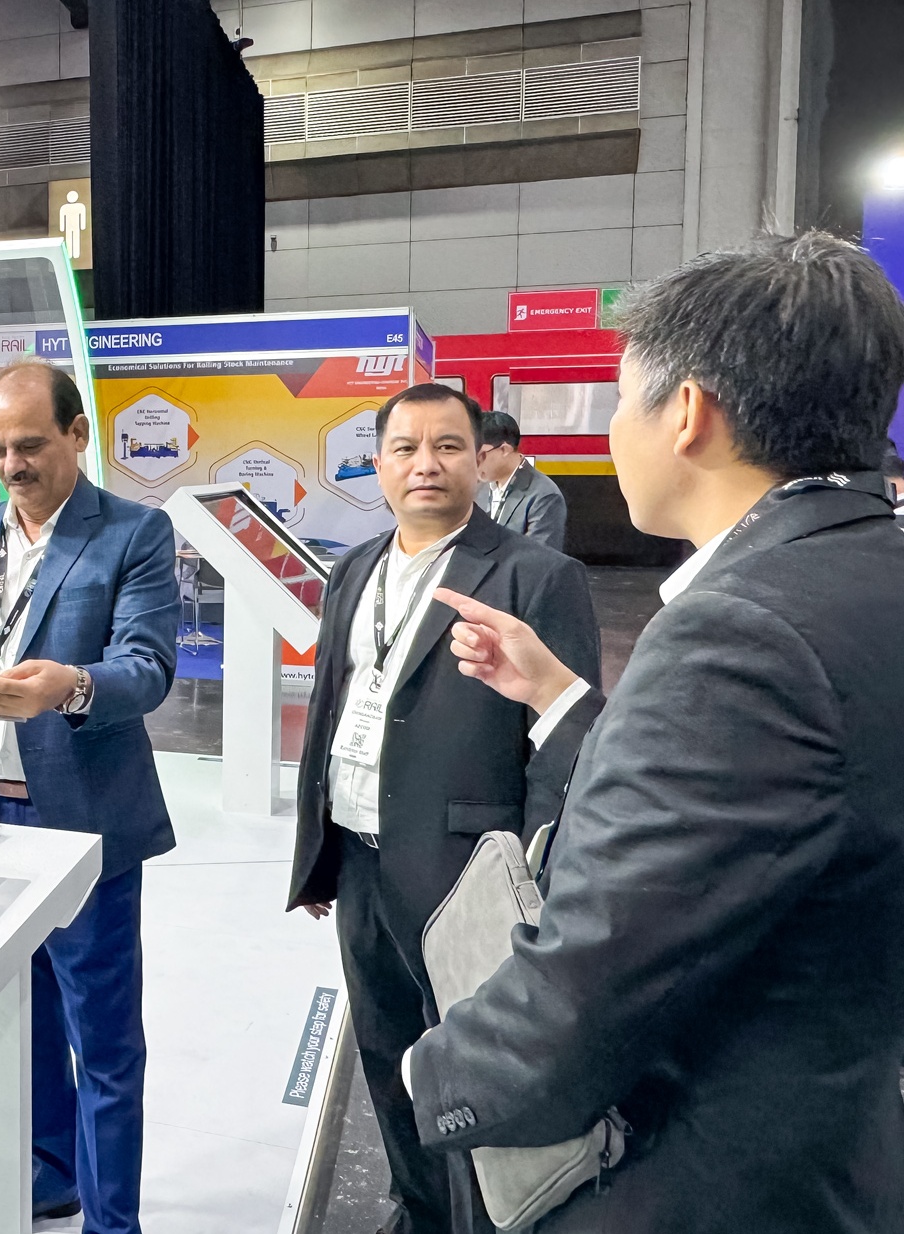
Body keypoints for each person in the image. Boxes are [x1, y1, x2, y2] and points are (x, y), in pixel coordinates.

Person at [403, 234, 904, 1233]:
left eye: (620, 398)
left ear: (687, 413)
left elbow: (581, 995)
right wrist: (561, 697)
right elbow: (754, 816)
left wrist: (433, 1070)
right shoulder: (866, 570)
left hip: (697, 1175)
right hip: (837, 1136)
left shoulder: (739, 631)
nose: (612, 427)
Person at [286, 382, 600, 1234]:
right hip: (359, 855)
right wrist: (317, 851)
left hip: (467, 872)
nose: (425, 464)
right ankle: (418, 1209)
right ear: (378, 463)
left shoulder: (536, 575)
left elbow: (563, 743)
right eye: (405, 448)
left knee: (467, 1072)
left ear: (479, 459)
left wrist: (533, 874)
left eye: (448, 446)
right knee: (384, 1050)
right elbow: (333, 709)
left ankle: (477, 1222)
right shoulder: (353, 569)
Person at [0, 359, 180, 1234]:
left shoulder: (134, 533)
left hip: (80, 818)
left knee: (102, 1038)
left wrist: (71, 685)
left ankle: (113, 1223)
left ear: (78, 433)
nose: (12, 465)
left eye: (30, 445)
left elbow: (148, 669)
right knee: (20, 1013)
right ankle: (51, 1174)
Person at [474, 411, 567, 552]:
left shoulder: (544, 496)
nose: (474, 463)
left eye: (480, 455)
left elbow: (538, 557)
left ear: (504, 450)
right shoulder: (479, 486)